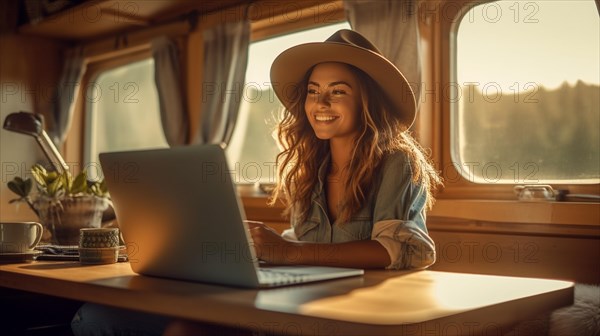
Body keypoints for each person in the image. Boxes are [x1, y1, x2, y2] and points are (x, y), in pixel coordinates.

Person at [71, 29, 441, 336]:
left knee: (184, 330)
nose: (320, 102)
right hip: (296, 303)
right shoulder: (307, 168)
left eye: (338, 91)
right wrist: (255, 250)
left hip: (353, 316)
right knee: (95, 318)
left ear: (366, 100)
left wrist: (290, 253)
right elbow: (309, 244)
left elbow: (407, 249)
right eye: (313, 91)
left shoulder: (397, 161)